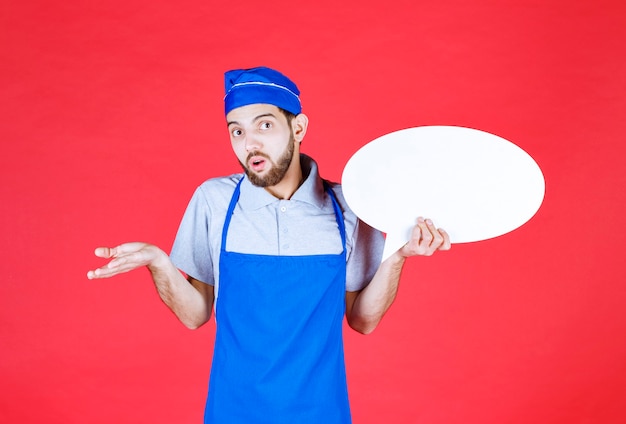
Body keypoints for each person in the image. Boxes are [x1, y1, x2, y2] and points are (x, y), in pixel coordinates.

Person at [87, 66, 450, 424]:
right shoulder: (214, 201)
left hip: (321, 413)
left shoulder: (347, 209)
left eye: (265, 125)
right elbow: (194, 314)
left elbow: (363, 320)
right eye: (237, 131)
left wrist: (399, 255)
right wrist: (159, 263)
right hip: (232, 413)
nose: (250, 143)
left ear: (298, 128)